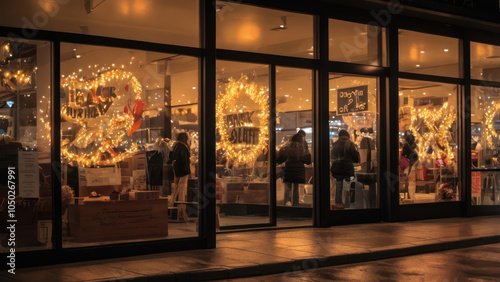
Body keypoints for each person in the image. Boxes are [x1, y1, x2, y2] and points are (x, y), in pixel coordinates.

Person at [277, 133, 311, 206]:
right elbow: (308, 160)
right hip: (298, 172)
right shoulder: (302, 148)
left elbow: (280, 159)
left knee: (288, 188)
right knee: (296, 188)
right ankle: (296, 204)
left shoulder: (287, 147)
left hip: (288, 170)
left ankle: (286, 203)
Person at [331, 129, 360, 207]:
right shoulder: (351, 144)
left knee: (338, 186)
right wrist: (355, 160)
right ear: (347, 135)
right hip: (348, 169)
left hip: (337, 169)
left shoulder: (335, 144)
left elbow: (332, 156)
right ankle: (347, 205)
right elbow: (355, 157)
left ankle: (338, 204)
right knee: (347, 187)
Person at [171, 132, 190, 203]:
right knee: (182, 187)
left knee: (176, 187)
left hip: (177, 169)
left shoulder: (176, 146)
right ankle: (181, 203)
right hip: (183, 170)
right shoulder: (183, 147)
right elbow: (184, 160)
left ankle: (172, 201)